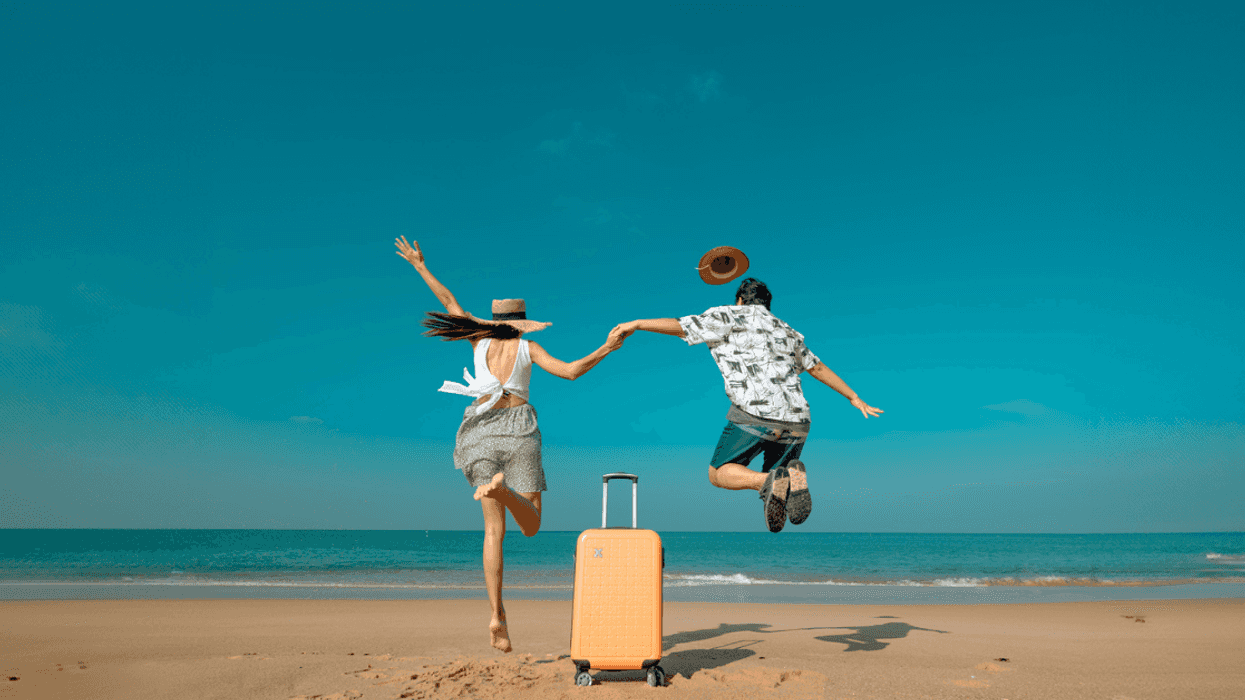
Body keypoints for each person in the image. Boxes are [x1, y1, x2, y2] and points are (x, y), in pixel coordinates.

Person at [396, 236, 626, 652]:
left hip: (479, 430)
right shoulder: (528, 346)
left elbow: (448, 299)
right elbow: (572, 372)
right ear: (523, 322)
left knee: (493, 532)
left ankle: (497, 615)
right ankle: (504, 490)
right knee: (532, 524)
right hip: (518, 429)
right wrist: (607, 348)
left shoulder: (478, 341)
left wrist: (418, 264)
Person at [613, 277, 882, 533]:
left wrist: (636, 323)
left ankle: (765, 481)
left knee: (719, 474)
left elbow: (681, 326)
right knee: (780, 479)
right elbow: (817, 367)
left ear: (740, 300)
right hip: (799, 420)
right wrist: (853, 397)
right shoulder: (787, 330)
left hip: (755, 415)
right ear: (767, 304)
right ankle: (784, 476)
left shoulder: (728, 314)